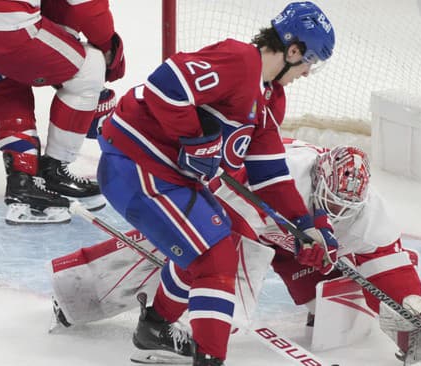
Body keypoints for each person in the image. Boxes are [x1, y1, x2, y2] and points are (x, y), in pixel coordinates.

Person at [95, 2, 336, 365]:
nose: (306, 72)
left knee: (215, 240)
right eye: (308, 62)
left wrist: (305, 227)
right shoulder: (241, 61)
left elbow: (269, 175)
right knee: (214, 255)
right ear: (293, 49)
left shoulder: (267, 99)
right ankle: (209, 358)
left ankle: (155, 328)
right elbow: (166, 84)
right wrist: (195, 138)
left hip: (169, 177)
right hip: (135, 164)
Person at [210, 138, 421, 366]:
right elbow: (217, 215)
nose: (339, 212)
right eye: (332, 201)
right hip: (249, 225)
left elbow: (390, 268)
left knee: (323, 308)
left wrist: (412, 316)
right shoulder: (280, 177)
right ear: (317, 181)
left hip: (296, 246)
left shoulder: (371, 213)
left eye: (347, 207)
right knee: (220, 302)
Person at [0, 0, 125, 224]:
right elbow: (89, 5)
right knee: (89, 67)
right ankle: (54, 172)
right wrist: (109, 50)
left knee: (5, 84)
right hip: (3, 28)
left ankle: (23, 181)